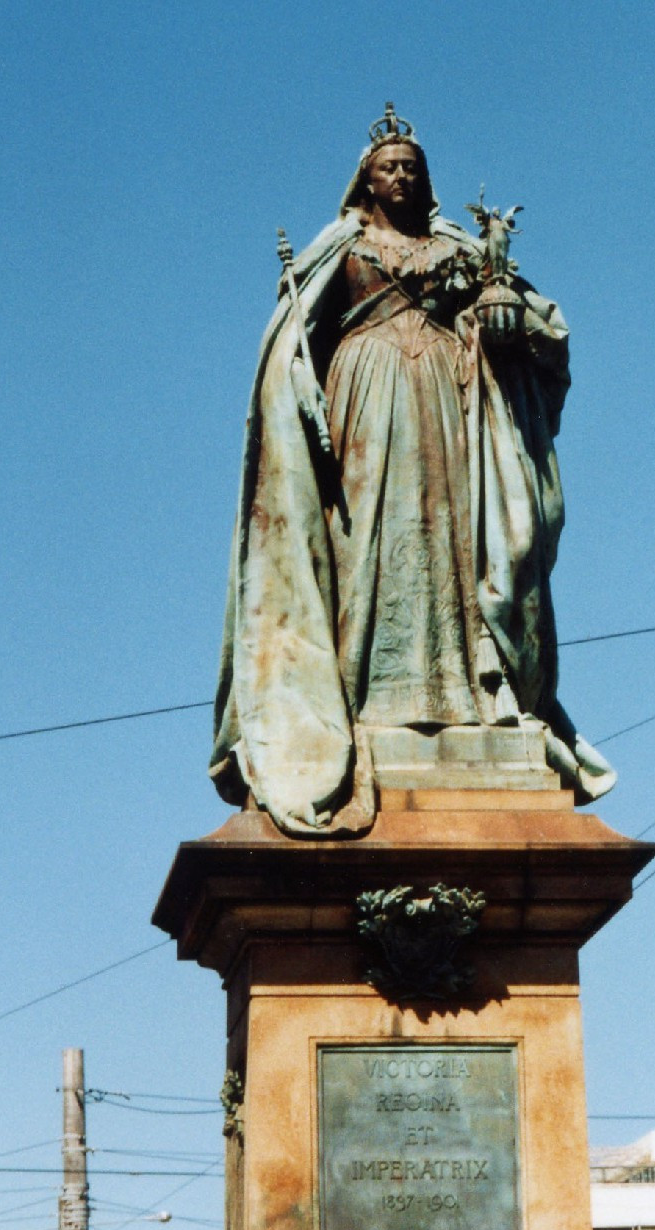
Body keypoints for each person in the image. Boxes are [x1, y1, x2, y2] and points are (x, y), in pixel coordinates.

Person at [211, 106, 614, 836]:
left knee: (450, 537)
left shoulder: (457, 245)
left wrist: (503, 320)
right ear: (365, 181)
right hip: (364, 396)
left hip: (443, 399)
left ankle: (467, 696)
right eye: (388, 168)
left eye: (411, 168)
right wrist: (295, 384)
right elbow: (293, 339)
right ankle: (365, 700)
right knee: (368, 544)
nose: (401, 177)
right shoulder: (341, 246)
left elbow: (526, 321)